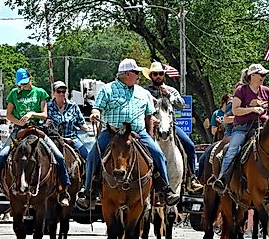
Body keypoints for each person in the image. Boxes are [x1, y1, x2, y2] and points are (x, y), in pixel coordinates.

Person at [76, 59, 180, 209]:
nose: (138, 76)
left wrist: (150, 136)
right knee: (93, 156)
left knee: (159, 155)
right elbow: (97, 108)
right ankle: (88, 193)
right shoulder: (107, 89)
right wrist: (94, 114)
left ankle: (165, 190)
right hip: (113, 133)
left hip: (138, 133)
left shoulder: (143, 93)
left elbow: (149, 116)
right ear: (127, 74)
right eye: (136, 73)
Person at [0, 68, 71, 205]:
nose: (23, 84)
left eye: (25, 81)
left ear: (30, 78)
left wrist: (32, 114)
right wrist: (18, 122)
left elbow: (44, 115)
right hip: (19, 131)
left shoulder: (40, 92)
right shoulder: (13, 94)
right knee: (3, 155)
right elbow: (9, 114)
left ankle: (63, 189)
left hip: (38, 130)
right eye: (21, 82)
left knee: (59, 156)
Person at [213, 63, 269, 194]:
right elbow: (235, 111)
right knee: (233, 148)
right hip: (242, 127)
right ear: (252, 75)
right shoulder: (241, 91)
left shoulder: (267, 91)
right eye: (261, 74)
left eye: (264, 75)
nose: (263, 77)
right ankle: (222, 178)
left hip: (263, 126)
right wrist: (252, 108)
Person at [145, 62, 204, 194]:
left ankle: (191, 178)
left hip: (171, 127)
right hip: (150, 127)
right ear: (151, 76)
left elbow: (182, 106)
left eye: (161, 74)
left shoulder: (171, 90)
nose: (158, 76)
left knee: (189, 145)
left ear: (164, 75)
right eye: (155, 74)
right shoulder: (146, 92)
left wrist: (169, 95)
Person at [46, 80, 90, 159]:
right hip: (54, 140)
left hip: (72, 139)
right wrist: (46, 123)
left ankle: (88, 171)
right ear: (54, 93)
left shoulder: (73, 106)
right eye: (59, 91)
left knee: (87, 156)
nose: (62, 94)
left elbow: (81, 123)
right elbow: (42, 123)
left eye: (64, 91)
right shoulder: (48, 106)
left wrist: (89, 128)